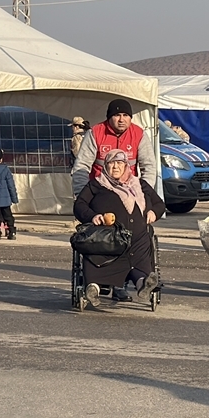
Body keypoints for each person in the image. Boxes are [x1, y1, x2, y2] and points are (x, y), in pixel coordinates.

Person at [72, 98, 157, 301]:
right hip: (101, 192)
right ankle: (101, 282)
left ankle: (132, 281)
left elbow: (149, 167)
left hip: (130, 192)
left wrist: (145, 198)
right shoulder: (96, 133)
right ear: (109, 117)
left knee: (135, 235)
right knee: (101, 239)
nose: (121, 119)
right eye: (117, 115)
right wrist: (84, 195)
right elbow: (82, 166)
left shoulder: (138, 134)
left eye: (126, 115)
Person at [74, 149, 165, 307]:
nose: (115, 167)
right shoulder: (97, 184)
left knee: (137, 261)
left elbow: (159, 204)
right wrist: (93, 216)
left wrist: (153, 212)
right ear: (105, 166)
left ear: (126, 166)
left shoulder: (140, 184)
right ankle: (93, 288)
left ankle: (144, 285)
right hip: (108, 239)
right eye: (111, 163)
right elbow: (79, 205)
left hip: (137, 239)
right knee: (99, 257)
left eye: (119, 163)